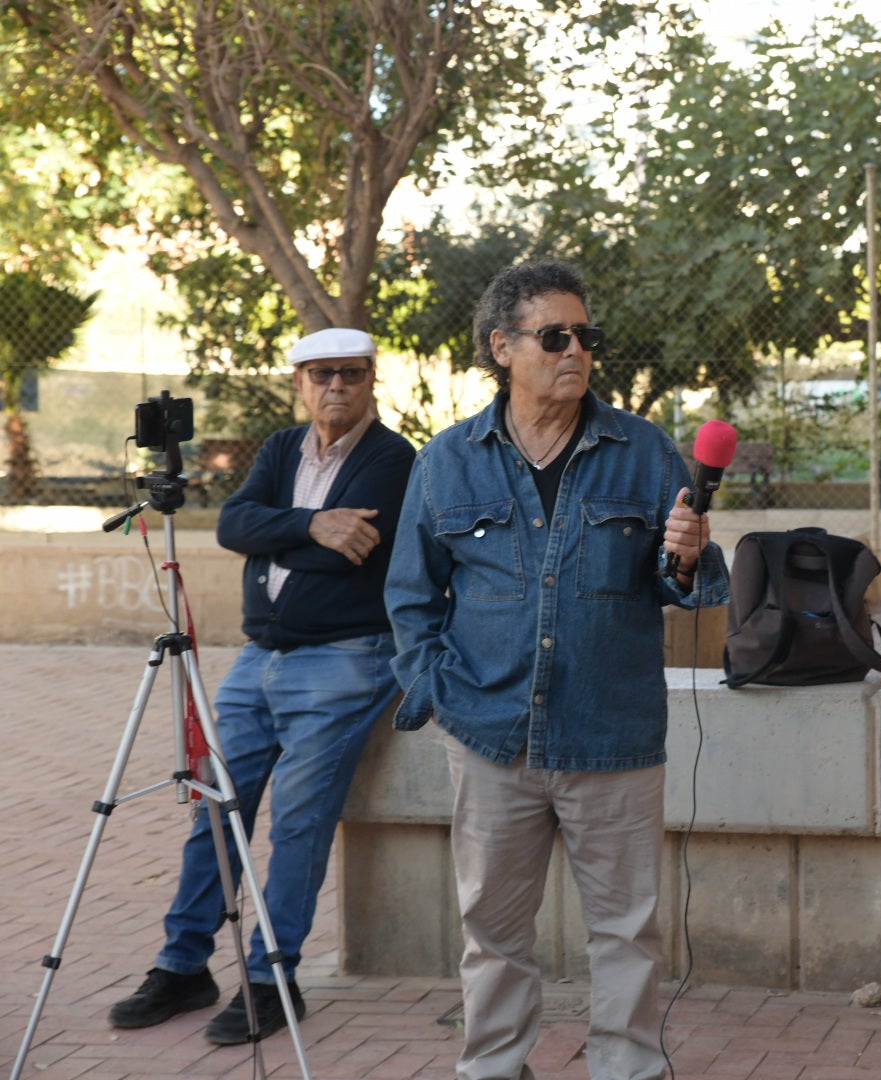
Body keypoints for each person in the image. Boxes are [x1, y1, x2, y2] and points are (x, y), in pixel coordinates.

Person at [385, 259, 729, 1080]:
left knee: (626, 934)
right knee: (494, 936)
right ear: (503, 346)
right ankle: (496, 1067)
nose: (575, 350)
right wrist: (442, 697)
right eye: (554, 336)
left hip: (612, 737)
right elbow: (409, 597)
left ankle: (626, 1068)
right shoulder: (447, 463)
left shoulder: (644, 453)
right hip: (489, 738)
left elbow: (683, 588)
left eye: (586, 335)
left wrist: (686, 562)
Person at [106, 327, 415, 1044]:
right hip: (259, 658)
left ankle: (274, 978)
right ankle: (183, 965)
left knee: (299, 822)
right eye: (320, 375)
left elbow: (353, 554)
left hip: (344, 659)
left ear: (371, 380)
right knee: (216, 810)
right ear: (300, 382)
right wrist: (310, 526)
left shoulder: (393, 458)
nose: (335, 387)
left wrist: (279, 534)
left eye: (350, 374)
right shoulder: (281, 448)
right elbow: (233, 527)